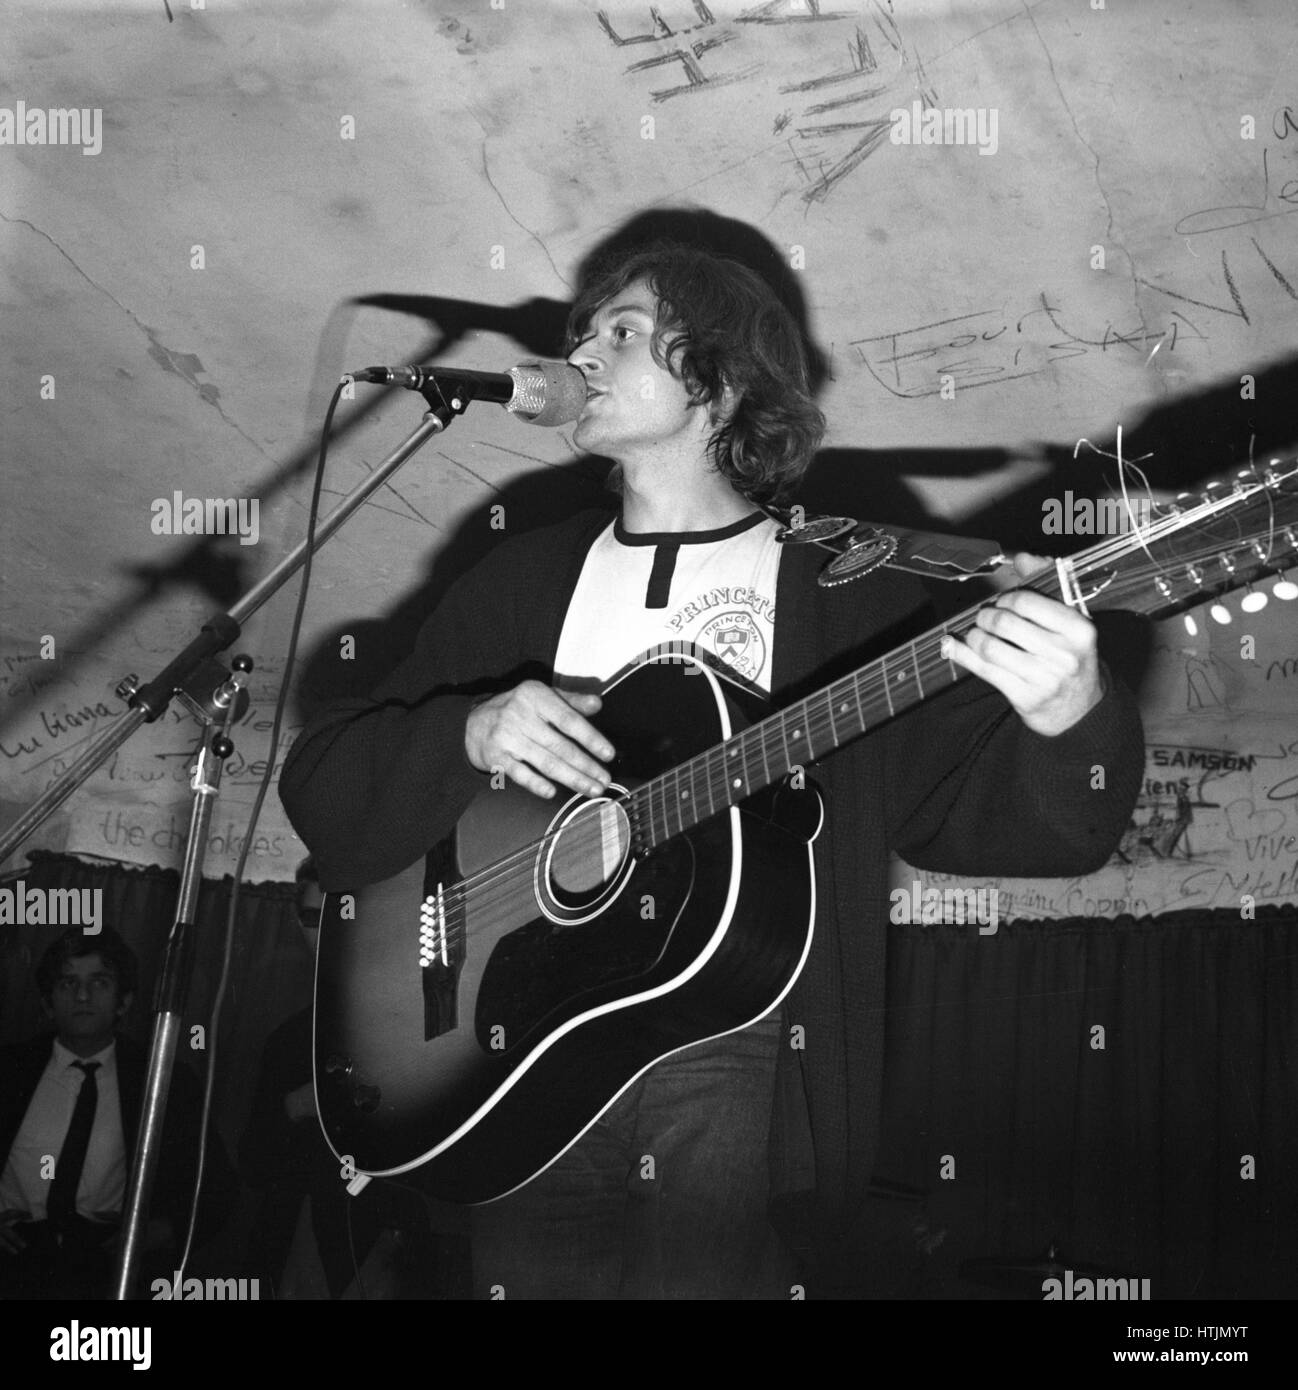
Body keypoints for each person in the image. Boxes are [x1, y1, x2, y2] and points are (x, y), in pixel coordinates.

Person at [278, 240, 1144, 1298]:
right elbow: (325, 784)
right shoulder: (517, 577)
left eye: (622, 330)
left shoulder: (849, 587)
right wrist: (462, 733)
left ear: (721, 381)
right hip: (518, 1053)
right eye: (581, 334)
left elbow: (1018, 824)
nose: (582, 350)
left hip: (736, 1037)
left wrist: (1070, 713)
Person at [0, 927, 234, 1299]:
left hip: (108, 1268)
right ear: (46, 1002)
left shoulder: (162, 1081)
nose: (82, 995)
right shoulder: (9, 1070)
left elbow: (218, 1190)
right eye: (67, 983)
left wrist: (156, 1231)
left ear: (124, 1001)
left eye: (99, 982)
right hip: (12, 1263)